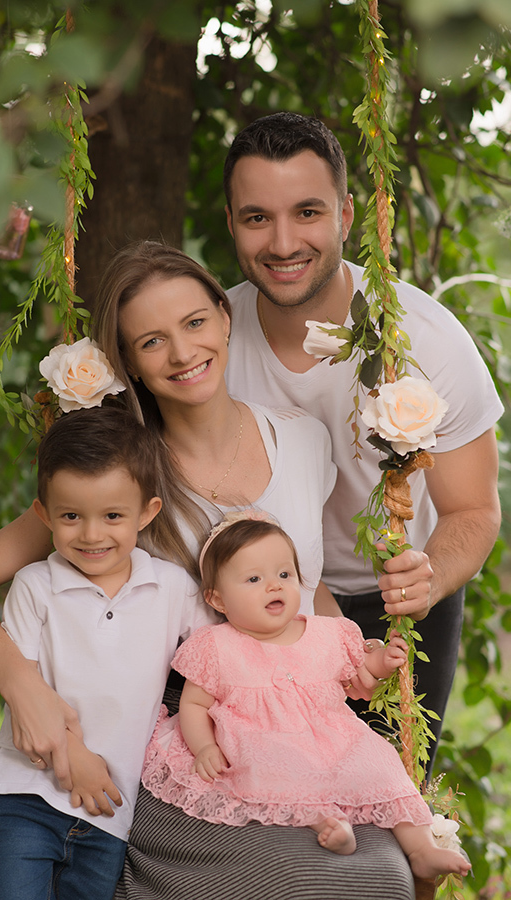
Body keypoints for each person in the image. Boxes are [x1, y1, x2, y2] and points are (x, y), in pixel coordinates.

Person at [0, 243, 417, 899]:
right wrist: (24, 688)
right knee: (301, 881)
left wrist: (348, 657)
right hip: (195, 733)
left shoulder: (301, 438)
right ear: (127, 360)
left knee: (384, 875)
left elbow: (302, 585)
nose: (183, 353)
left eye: (193, 323)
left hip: (301, 724)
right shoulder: (121, 477)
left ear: (224, 316)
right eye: (151, 341)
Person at [222, 112, 503, 773]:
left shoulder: (429, 342)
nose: (284, 241)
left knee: (399, 810)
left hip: (399, 599)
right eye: (257, 216)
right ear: (232, 222)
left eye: (308, 211)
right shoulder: (208, 340)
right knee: (274, 805)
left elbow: (473, 511)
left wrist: (428, 578)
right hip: (254, 603)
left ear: (348, 213)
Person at [141, 513, 471, 882]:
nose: (273, 586)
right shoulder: (216, 646)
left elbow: (360, 665)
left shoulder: (326, 633)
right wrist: (203, 747)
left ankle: (423, 849)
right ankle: (328, 824)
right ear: (217, 598)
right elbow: (194, 704)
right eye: (253, 579)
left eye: (284, 575)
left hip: (336, 739)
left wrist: (383, 660)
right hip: (265, 739)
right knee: (278, 766)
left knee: (383, 766)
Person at [0, 405, 217, 900]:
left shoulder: (173, 589)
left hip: (111, 811)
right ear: (43, 514)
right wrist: (74, 754)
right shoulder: (34, 586)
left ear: (147, 513)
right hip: (28, 798)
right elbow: (24, 691)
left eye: (112, 516)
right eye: (71, 516)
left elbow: (219, 661)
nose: (91, 534)